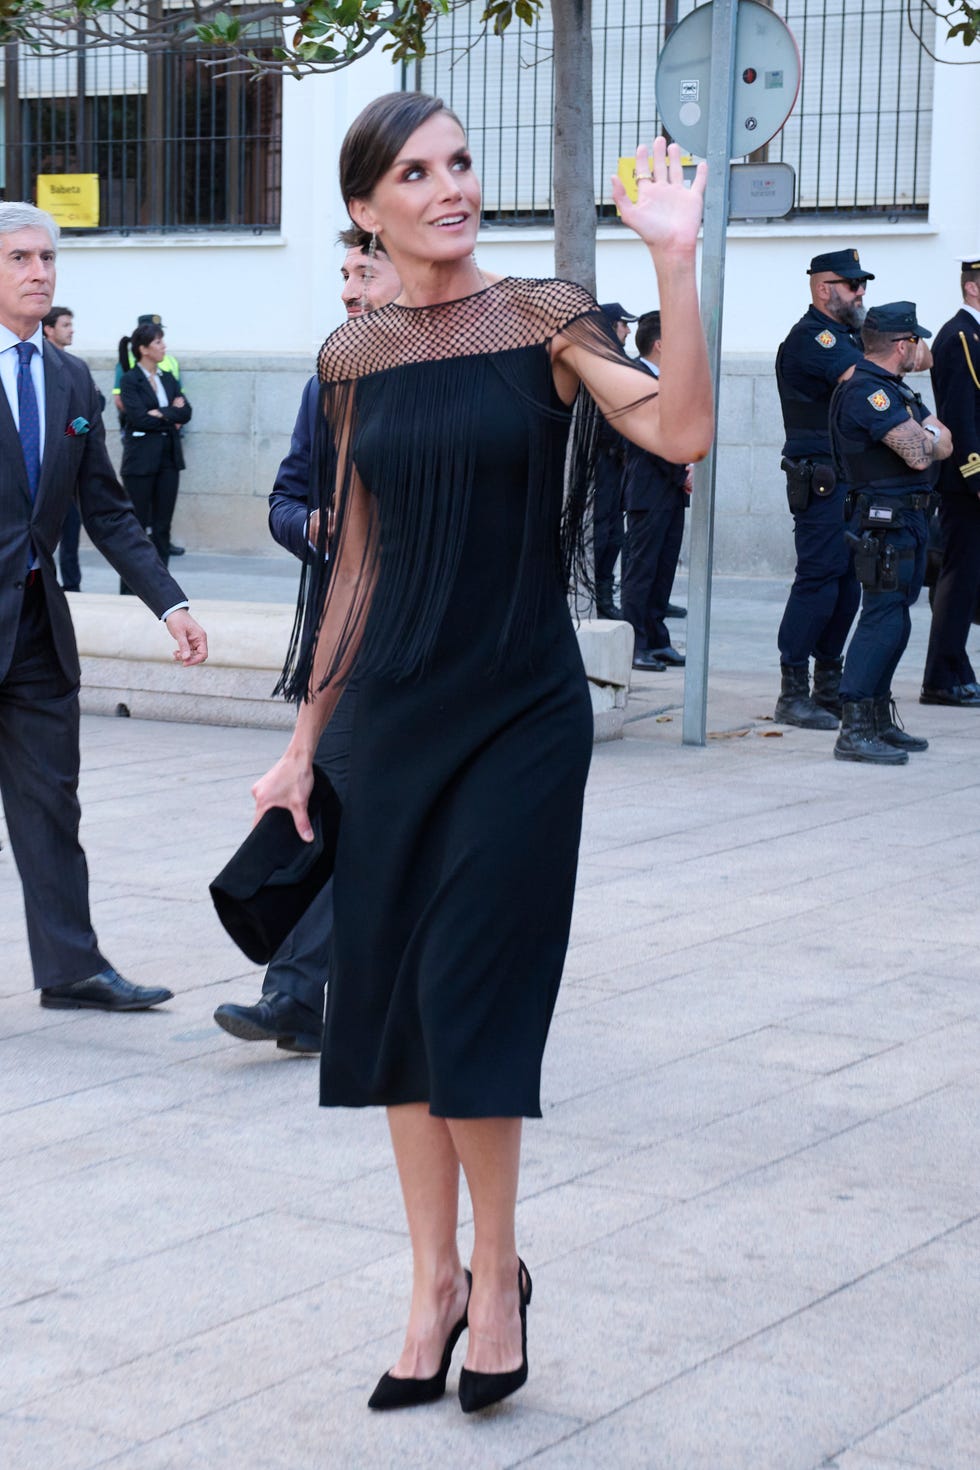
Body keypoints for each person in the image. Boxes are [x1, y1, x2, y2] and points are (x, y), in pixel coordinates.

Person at [251, 92, 712, 1414]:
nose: (450, 185)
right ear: (366, 207)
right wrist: (303, 744)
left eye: (460, 160)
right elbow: (357, 565)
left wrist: (672, 262)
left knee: (468, 1000)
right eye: (416, 170)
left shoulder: (548, 320)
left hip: (519, 714)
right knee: (390, 1007)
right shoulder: (353, 356)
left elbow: (680, 431)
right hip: (391, 719)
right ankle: (429, 1282)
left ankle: (498, 1277)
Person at [0, 202, 208, 1010]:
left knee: (52, 803)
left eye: (47, 258)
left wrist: (169, 603)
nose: (40, 272)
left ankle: (72, 968)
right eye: (20, 258)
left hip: (38, 635)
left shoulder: (70, 379)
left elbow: (107, 509)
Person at [213, 228, 401, 1053]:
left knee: (395, 818)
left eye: (367, 270)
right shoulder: (330, 378)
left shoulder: (461, 378)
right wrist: (319, 529)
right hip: (354, 635)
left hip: (445, 639)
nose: (350, 288)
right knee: (328, 799)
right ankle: (293, 991)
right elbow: (286, 497)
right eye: (345, 272)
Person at [829, 302, 952, 764]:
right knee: (881, 619)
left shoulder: (893, 389)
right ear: (903, 345)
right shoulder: (869, 392)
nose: (920, 349)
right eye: (915, 341)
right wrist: (928, 435)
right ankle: (854, 726)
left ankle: (878, 716)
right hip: (885, 522)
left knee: (896, 620)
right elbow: (923, 452)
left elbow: (943, 437)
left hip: (909, 519)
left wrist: (928, 434)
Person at [773, 249, 873, 729]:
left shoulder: (849, 335)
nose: (860, 292)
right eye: (852, 284)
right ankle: (792, 692)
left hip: (848, 477)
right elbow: (865, 379)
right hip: (821, 479)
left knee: (846, 582)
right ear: (823, 288)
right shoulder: (814, 337)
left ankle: (827, 686)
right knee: (818, 579)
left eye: (862, 284)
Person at [919, 257, 980, 708]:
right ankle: (941, 676)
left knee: (970, 577)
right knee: (959, 577)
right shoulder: (960, 336)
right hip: (966, 483)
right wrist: (975, 474)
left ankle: (956, 666)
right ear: (974, 289)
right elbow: (960, 416)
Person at [620, 309, 690, 671]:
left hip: (669, 486)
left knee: (663, 567)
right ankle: (634, 644)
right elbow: (652, 438)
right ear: (660, 344)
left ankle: (656, 637)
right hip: (649, 487)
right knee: (641, 570)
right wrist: (682, 473)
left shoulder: (664, 379)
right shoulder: (638, 379)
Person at [117, 322, 191, 591]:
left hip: (168, 460)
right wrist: (169, 412)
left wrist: (160, 413)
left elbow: (186, 412)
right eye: (158, 343)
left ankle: (162, 589)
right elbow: (137, 418)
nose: (164, 347)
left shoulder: (168, 377)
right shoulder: (130, 380)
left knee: (162, 527)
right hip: (140, 463)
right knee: (135, 528)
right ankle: (130, 588)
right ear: (144, 349)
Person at [41, 304, 105, 593]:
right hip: (42, 472)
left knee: (70, 533)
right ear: (49, 329)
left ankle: (71, 586)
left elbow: (97, 403)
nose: (71, 330)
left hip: (70, 470)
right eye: (65, 325)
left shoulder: (76, 368)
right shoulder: (36, 367)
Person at [593, 301, 636, 618]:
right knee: (604, 530)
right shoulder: (599, 359)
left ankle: (607, 593)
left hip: (619, 458)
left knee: (615, 533)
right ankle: (601, 596)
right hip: (604, 459)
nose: (628, 330)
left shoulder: (617, 360)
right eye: (623, 324)